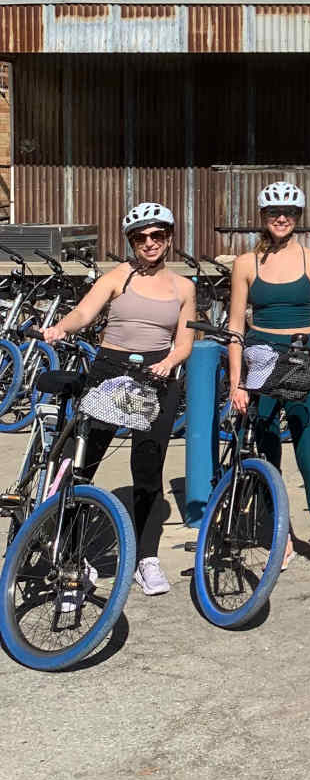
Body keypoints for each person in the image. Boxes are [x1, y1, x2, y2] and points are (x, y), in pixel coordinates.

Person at [45, 201, 196, 598]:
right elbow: (84, 313)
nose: (149, 243)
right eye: (140, 237)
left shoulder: (183, 287)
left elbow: (185, 342)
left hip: (156, 377)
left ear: (169, 238)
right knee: (80, 466)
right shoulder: (117, 277)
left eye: (157, 235)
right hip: (110, 372)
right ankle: (71, 558)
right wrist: (60, 328)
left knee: (147, 471)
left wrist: (170, 362)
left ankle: (146, 559)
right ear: (131, 242)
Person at [227, 182, 310, 584]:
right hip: (260, 357)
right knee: (267, 452)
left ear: (298, 218)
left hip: (301, 358)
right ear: (263, 216)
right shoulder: (246, 263)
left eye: (289, 212)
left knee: (308, 454)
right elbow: (236, 325)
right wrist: (237, 382)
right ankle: (284, 538)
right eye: (274, 212)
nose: (281, 218)